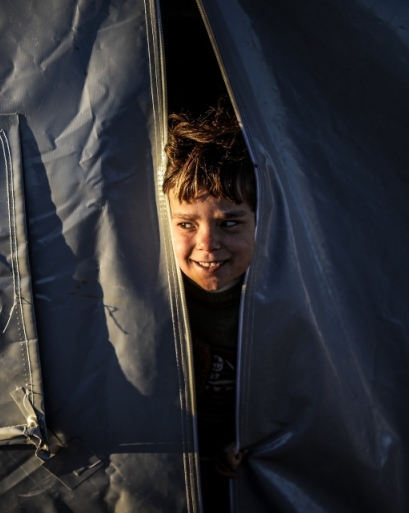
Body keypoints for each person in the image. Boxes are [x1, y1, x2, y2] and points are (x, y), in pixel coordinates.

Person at [163, 103, 255, 512]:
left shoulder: (286, 296)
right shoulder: (154, 296)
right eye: (186, 224)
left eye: (229, 223)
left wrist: (251, 435)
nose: (207, 244)